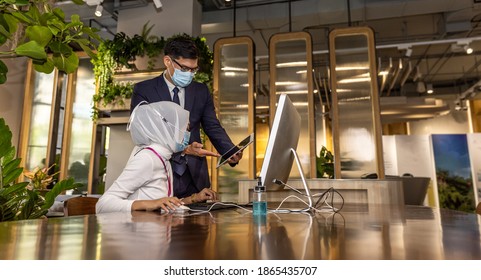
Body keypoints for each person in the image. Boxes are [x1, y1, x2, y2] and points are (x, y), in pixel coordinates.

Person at [130, 35, 242, 200]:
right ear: (168, 61)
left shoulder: (200, 90)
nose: (189, 74)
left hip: (195, 176)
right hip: (159, 172)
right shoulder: (144, 90)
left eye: (193, 69)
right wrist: (183, 149)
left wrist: (229, 151)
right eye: (184, 69)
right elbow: (142, 133)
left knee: (200, 223)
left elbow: (212, 126)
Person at [96, 101, 217, 214]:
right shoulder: (147, 158)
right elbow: (103, 204)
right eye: (185, 129)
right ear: (169, 130)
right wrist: (151, 203)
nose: (187, 135)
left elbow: (163, 205)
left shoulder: (163, 158)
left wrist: (194, 198)